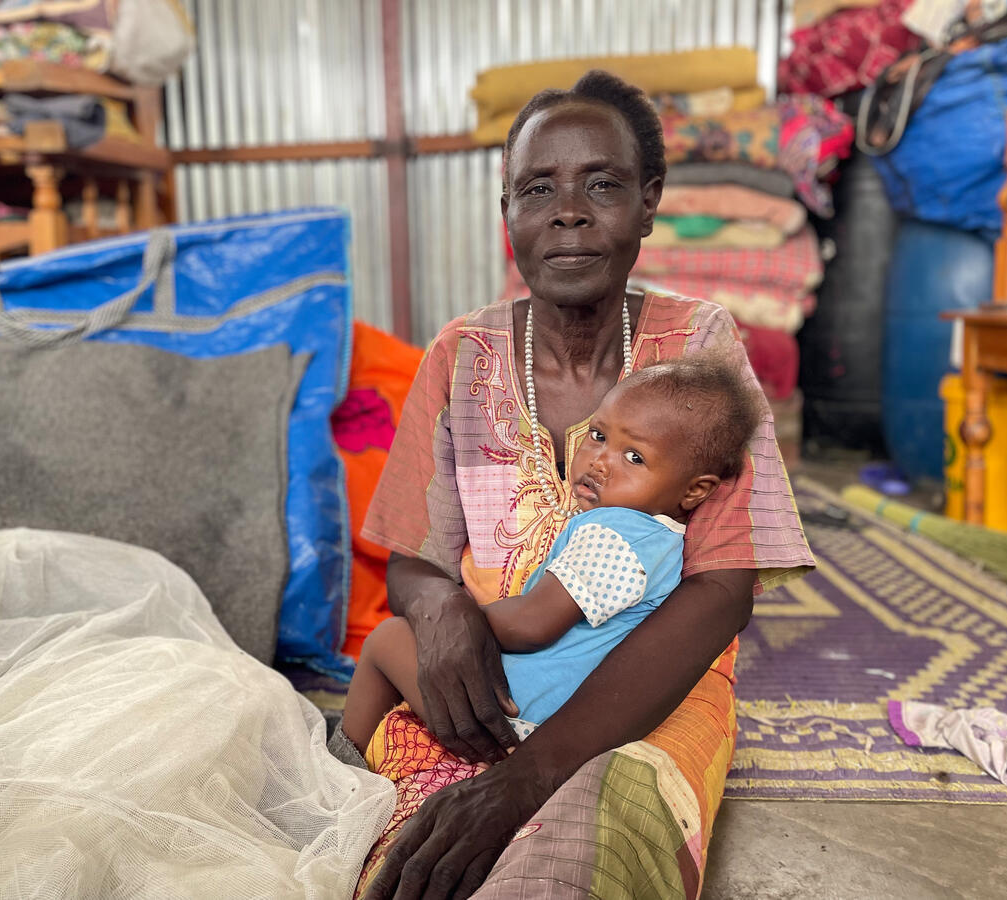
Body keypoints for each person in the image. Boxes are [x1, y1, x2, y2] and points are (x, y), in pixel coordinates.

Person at [344, 69, 815, 900]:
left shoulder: (699, 346)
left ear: (648, 203)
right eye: (538, 189)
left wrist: (529, 776)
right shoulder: (459, 354)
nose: (569, 211)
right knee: (404, 847)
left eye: (602, 184)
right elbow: (414, 561)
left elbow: (723, 589)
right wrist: (447, 612)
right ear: (509, 217)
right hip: (489, 677)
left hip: (651, 687)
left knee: (590, 836)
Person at [342, 357, 763, 753]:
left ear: (694, 491)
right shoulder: (662, 544)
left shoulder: (617, 534)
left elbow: (531, 625)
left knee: (387, 640)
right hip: (556, 716)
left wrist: (458, 623)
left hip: (519, 712)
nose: (599, 462)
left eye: (633, 457)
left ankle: (341, 769)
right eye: (598, 437)